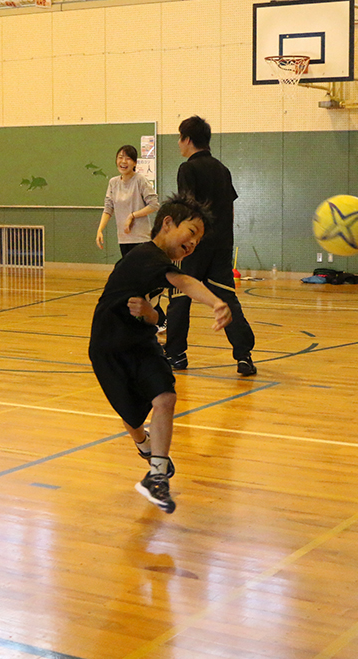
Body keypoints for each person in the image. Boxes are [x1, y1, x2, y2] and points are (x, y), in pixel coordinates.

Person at [89, 194, 231, 513]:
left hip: (141, 343)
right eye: (191, 232)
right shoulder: (145, 256)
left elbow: (158, 318)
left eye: (198, 241)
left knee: (165, 398)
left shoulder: (160, 266)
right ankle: (144, 445)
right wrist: (216, 302)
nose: (193, 244)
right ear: (167, 223)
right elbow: (184, 281)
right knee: (131, 416)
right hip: (109, 347)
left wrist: (149, 313)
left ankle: (156, 476)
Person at [165, 116, 257, 376]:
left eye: (180, 138)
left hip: (194, 246)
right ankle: (244, 356)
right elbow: (230, 208)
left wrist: (184, 242)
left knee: (180, 297)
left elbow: (187, 209)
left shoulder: (187, 169)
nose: (178, 143)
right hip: (222, 246)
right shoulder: (222, 169)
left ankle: (176, 355)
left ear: (188, 139)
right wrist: (225, 241)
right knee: (226, 297)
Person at [96, 144, 159, 257]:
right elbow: (108, 208)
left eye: (128, 158)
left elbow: (154, 205)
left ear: (135, 163)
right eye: (120, 157)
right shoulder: (113, 182)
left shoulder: (140, 180)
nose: (123, 161)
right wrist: (100, 230)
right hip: (123, 238)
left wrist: (132, 215)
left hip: (141, 238)